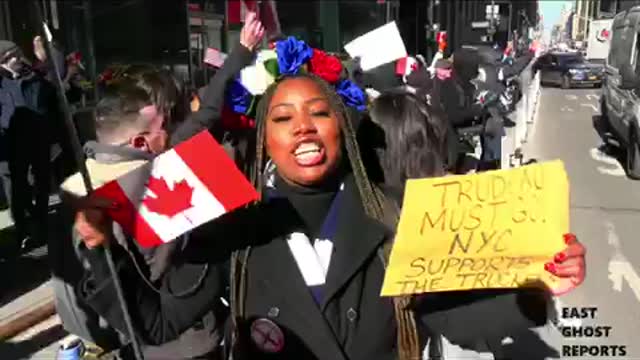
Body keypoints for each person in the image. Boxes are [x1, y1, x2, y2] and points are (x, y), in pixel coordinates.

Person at [71, 65, 586, 360]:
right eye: (283, 117)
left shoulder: (397, 217)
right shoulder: (231, 232)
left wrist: (535, 285)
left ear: (342, 127)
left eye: (319, 113)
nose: (303, 127)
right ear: (264, 142)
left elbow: (453, 318)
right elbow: (157, 324)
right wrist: (102, 251)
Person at [58, 13, 266, 360]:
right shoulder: (140, 190)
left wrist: (241, 53)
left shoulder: (74, 185)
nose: (172, 134)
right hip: (179, 344)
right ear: (141, 142)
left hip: (116, 341)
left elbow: (204, 118)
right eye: (164, 128)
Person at [368, 89, 586, 358]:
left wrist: (541, 285)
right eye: (432, 143)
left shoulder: (372, 212)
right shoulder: (406, 220)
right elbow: (454, 321)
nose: (444, 162)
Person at [0, 40, 57, 250]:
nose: (16, 59)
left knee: (42, 183)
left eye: (16, 54)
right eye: (9, 57)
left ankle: (41, 223)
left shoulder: (34, 77)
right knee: (17, 189)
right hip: (10, 145)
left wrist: (46, 55)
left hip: (38, 140)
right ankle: (23, 229)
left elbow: (55, 87)